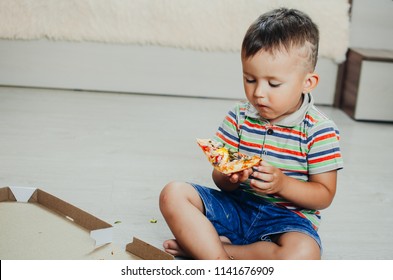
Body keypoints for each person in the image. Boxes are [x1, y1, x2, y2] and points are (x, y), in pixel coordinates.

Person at [159, 8, 344, 260]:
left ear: (307, 82)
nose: (258, 93)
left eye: (273, 84)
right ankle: (219, 261)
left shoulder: (319, 130)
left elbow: (324, 195)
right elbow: (219, 178)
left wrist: (282, 184)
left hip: (286, 221)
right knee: (173, 193)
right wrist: (229, 176)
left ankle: (214, 249)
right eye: (250, 79)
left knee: (304, 253)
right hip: (237, 208)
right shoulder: (239, 116)